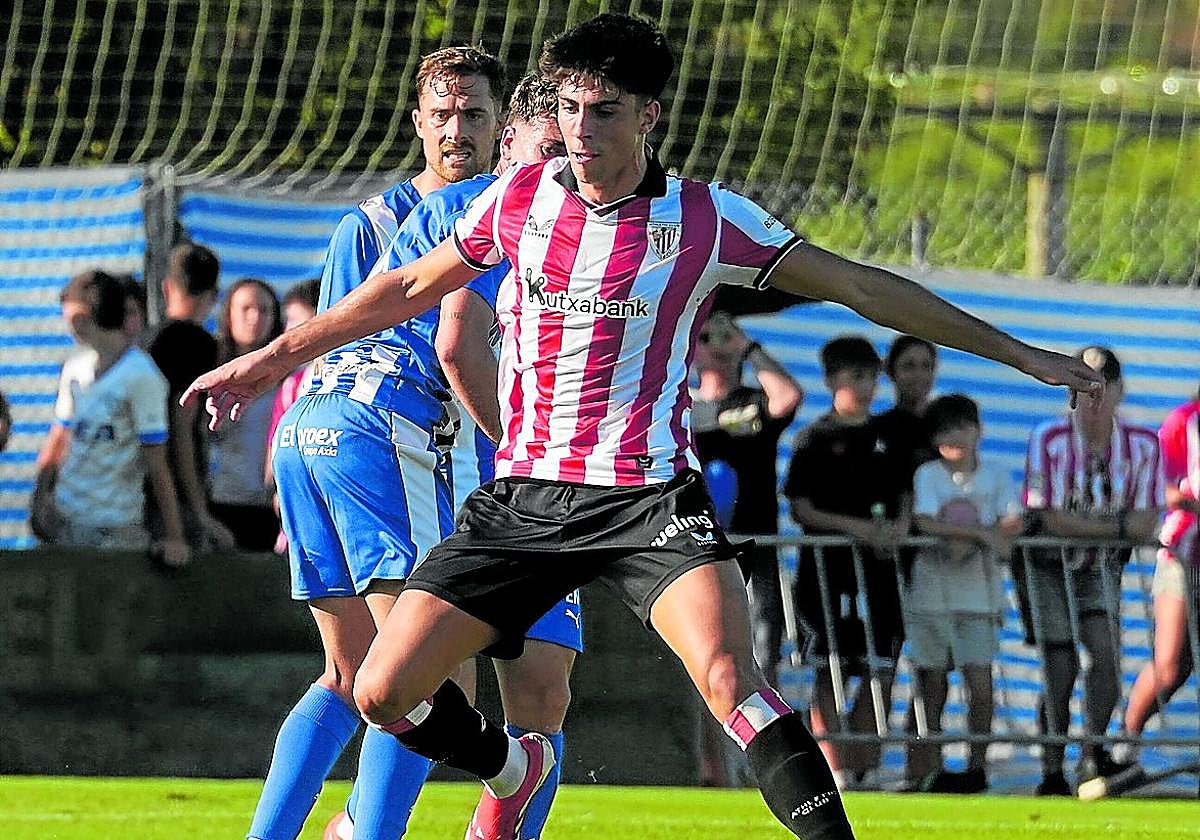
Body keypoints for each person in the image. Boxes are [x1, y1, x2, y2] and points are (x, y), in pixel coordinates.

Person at [184, 14, 1102, 840]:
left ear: (649, 117)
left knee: (731, 680)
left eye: (605, 113)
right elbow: (405, 289)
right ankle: (511, 770)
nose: (581, 132)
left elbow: (861, 286)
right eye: (570, 110)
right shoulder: (519, 201)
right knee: (383, 691)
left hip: (648, 498)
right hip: (525, 500)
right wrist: (268, 362)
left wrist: (1025, 356)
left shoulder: (706, 218)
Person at [242, 47, 510, 840]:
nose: (457, 131)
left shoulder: (432, 213)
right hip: (391, 443)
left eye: (474, 114)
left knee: (349, 672)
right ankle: (367, 830)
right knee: (426, 669)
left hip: (323, 439)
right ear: (418, 122)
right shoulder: (390, 223)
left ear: (498, 123)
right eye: (443, 115)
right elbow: (353, 341)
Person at [1019, 345, 1164, 795]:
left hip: (1100, 567)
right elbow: (1049, 517)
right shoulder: (1049, 438)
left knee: (1106, 657)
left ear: (1119, 391)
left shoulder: (1143, 444)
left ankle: (1093, 750)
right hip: (1048, 564)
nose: (1094, 396)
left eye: (1102, 386)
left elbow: (1146, 521)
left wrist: (1100, 530)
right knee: (1058, 667)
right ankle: (1052, 767)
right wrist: (1115, 528)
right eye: (1083, 386)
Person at [783, 336, 910, 790]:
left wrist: (897, 529)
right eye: (856, 376)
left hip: (880, 573)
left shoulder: (889, 436)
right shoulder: (814, 438)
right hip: (826, 572)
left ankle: (866, 767)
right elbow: (801, 508)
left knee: (881, 667)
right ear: (832, 379)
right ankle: (834, 769)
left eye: (872, 376)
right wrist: (857, 529)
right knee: (829, 666)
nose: (866, 386)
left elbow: (904, 496)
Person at [1079, 389, 1200, 799]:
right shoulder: (1186, 420)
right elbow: (1161, 487)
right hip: (1185, 554)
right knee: (1170, 664)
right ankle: (1124, 748)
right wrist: (1189, 501)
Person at [902, 394, 1023, 793]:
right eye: (945, 430)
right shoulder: (927, 475)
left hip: (980, 597)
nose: (954, 437)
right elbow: (924, 521)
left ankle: (976, 767)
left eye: (962, 427)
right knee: (931, 686)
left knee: (981, 686)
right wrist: (982, 535)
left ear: (978, 431)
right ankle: (928, 768)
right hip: (931, 595)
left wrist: (987, 535)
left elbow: (1014, 520)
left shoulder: (996, 476)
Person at [30, 271, 189, 567]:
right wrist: (39, 499)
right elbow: (59, 438)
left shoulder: (142, 375)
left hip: (115, 527)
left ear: (84, 318)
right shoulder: (75, 369)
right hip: (65, 521)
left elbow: (157, 462)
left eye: (70, 316)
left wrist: (174, 536)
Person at [692, 310, 802, 688]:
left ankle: (765, 722)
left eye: (724, 336)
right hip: (700, 547)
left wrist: (748, 347)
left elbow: (788, 396)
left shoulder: (753, 400)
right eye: (704, 338)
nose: (716, 346)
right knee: (706, 655)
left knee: (762, 651)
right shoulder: (680, 407)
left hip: (756, 545)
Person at [144, 242, 234, 550]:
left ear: (167, 287)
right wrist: (200, 511)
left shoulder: (145, 340)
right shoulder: (198, 344)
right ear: (214, 295)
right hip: (175, 491)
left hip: (136, 484)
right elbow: (182, 426)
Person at [208, 277, 283, 551]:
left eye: (264, 310)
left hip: (268, 506)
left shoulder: (290, 379)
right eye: (246, 308)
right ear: (228, 314)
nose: (255, 318)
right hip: (216, 502)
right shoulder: (210, 374)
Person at [875, 335, 938, 484]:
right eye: (909, 366)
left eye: (926, 366)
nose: (918, 375)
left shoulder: (946, 426)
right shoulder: (877, 429)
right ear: (891, 372)